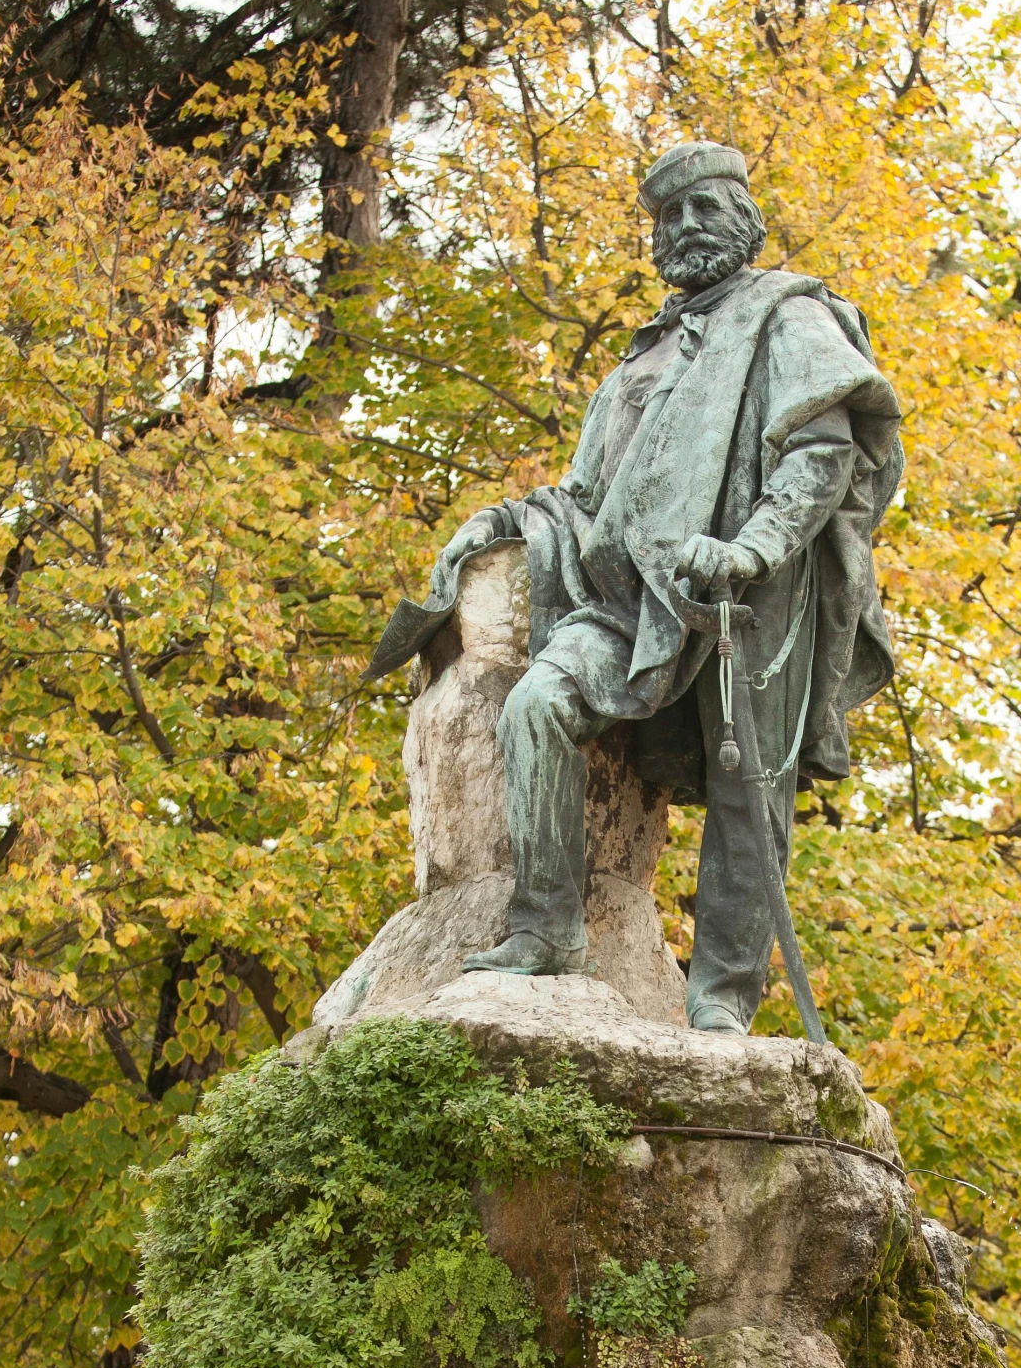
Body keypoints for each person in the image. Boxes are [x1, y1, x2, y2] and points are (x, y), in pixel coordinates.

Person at [369, 141, 903, 1034]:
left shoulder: (787, 315)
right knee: (536, 704)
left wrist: (755, 550)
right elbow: (586, 498)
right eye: (670, 217)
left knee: (750, 790)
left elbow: (823, 453)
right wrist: (505, 521)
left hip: (746, 592)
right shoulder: (634, 363)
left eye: (706, 207)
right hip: (625, 594)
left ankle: (721, 1003)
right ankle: (545, 931)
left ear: (745, 217)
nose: (687, 228)